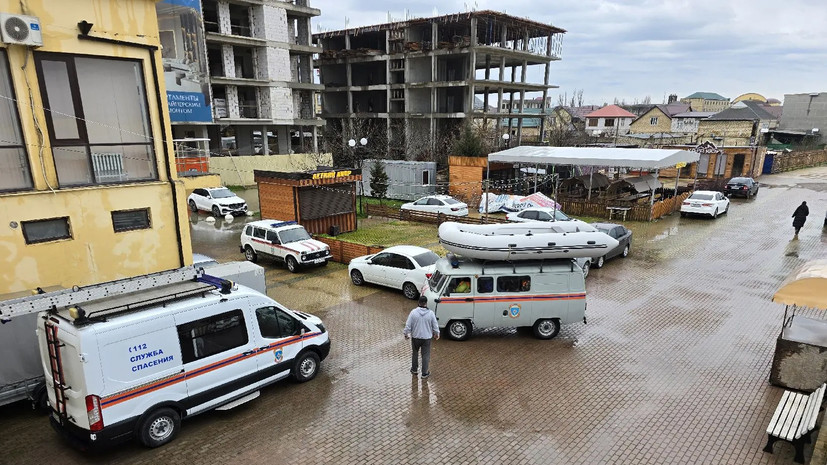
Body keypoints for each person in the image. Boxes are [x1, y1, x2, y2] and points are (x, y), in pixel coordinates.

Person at [403, 296, 440, 379]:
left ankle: (414, 370)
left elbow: (408, 325)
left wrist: (406, 333)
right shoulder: (430, 313)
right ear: (426, 303)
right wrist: (436, 333)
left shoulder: (413, 312)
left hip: (415, 337)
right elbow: (435, 325)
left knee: (415, 354)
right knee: (425, 355)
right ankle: (424, 373)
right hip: (426, 338)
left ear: (418, 302)